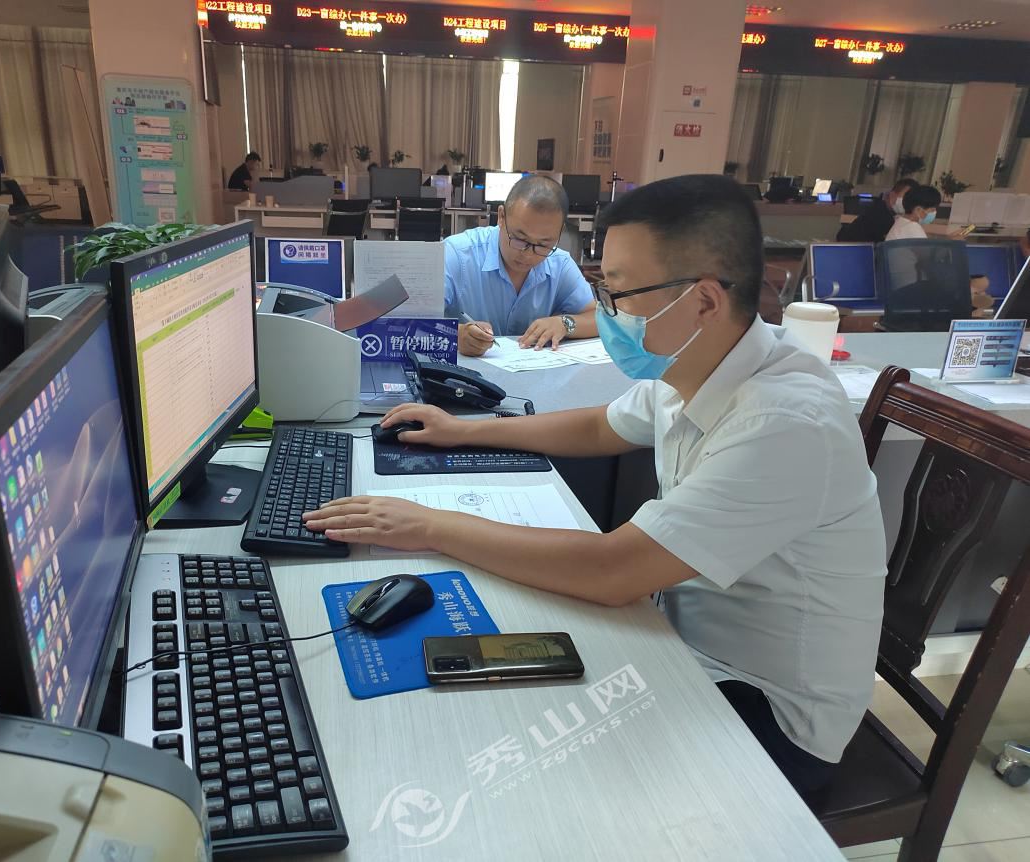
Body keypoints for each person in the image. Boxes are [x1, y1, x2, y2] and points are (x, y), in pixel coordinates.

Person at [306, 174, 888, 797]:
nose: (606, 313)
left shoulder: (785, 421)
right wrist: (462, 431)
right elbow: (599, 425)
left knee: (519, 765)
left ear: (704, 301)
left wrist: (427, 525)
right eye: (603, 289)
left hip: (768, 709)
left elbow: (614, 571)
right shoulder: (700, 364)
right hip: (678, 636)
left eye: (621, 294)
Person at [444, 175, 597, 356]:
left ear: (559, 233)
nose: (528, 254)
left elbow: (600, 319)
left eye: (543, 245)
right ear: (501, 217)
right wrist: (456, 335)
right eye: (519, 239)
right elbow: (413, 323)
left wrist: (565, 323)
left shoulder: (559, 264)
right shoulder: (456, 254)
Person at [836, 177, 919, 243]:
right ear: (892, 195)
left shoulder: (888, 212)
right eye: (906, 196)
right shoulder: (880, 214)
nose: (908, 201)